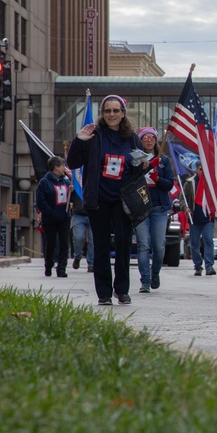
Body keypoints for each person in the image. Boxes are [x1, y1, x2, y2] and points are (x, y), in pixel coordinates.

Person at [66, 94, 143, 306]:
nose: (111, 114)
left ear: (123, 113)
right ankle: (104, 293)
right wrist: (78, 141)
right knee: (100, 246)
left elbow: (138, 167)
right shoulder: (94, 135)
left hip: (123, 200)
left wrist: (146, 165)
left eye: (116, 111)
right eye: (108, 111)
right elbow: (72, 162)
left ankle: (122, 289)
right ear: (103, 113)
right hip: (98, 199)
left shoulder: (132, 138)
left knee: (123, 244)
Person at [133, 127, 175, 293]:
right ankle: (145, 280)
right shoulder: (136, 159)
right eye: (145, 137)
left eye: (152, 137)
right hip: (141, 208)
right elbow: (131, 179)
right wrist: (149, 166)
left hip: (159, 207)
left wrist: (158, 178)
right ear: (141, 140)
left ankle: (155, 271)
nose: (149, 140)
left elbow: (169, 184)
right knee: (143, 245)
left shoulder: (163, 160)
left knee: (159, 246)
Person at [35, 156, 72, 278]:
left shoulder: (66, 182)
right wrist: (50, 213)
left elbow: (74, 197)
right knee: (51, 243)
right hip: (50, 218)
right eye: (62, 166)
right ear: (56, 167)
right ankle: (49, 264)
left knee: (64, 243)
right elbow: (41, 201)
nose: (64, 168)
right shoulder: (44, 183)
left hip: (64, 217)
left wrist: (73, 189)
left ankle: (61, 268)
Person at [184, 162, 216, 277]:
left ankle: (209, 266)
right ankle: (197, 265)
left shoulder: (211, 183)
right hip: (195, 217)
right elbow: (183, 197)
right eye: (200, 169)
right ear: (196, 170)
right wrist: (186, 208)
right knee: (194, 242)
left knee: (208, 240)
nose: (202, 171)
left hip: (208, 218)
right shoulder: (190, 182)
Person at [70, 187, 94, 272]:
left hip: (94, 212)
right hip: (78, 213)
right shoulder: (76, 180)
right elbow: (69, 198)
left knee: (93, 240)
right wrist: (71, 191)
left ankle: (91, 263)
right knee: (78, 237)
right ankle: (77, 256)